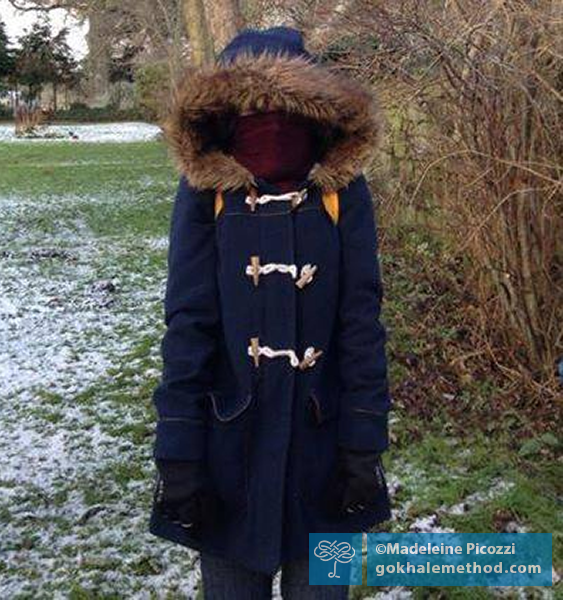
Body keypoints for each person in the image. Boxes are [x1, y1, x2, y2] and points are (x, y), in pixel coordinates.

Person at [148, 26, 392, 599]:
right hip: (227, 456)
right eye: (254, 108)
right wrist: (179, 450)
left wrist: (362, 443)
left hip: (326, 456)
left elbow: (361, 323)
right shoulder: (207, 189)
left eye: (284, 107)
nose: (270, 124)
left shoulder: (342, 190)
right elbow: (189, 323)